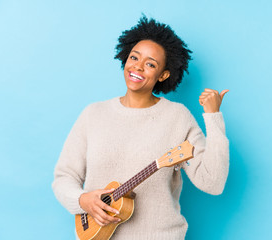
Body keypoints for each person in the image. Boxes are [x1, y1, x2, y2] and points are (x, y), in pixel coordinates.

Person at [52, 16, 229, 240]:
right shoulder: (93, 114)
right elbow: (64, 177)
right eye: (134, 57)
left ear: (163, 74)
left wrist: (213, 117)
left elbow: (213, 183)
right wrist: (82, 200)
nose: (138, 66)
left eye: (150, 64)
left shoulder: (177, 117)